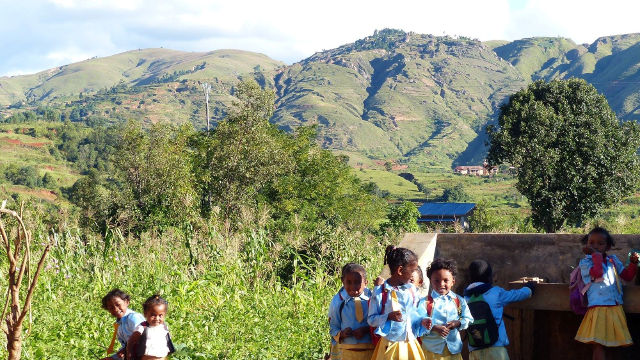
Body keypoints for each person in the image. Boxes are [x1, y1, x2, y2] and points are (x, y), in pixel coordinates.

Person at [575, 227, 638, 360]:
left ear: (608, 246)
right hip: (598, 308)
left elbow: (627, 276)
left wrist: (633, 263)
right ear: (586, 245)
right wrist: (596, 256)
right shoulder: (585, 263)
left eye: (600, 243)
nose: (595, 246)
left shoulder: (613, 260)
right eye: (591, 243)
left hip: (615, 307)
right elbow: (597, 273)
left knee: (613, 344)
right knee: (598, 345)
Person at [368, 246, 430, 360]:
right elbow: (371, 319)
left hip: (409, 343)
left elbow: (414, 315)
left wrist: (422, 321)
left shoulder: (412, 290)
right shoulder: (380, 292)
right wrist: (388, 316)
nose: (413, 275)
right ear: (400, 270)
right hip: (390, 345)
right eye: (412, 271)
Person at [463, 260, 534, 360]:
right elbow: (516, 295)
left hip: (474, 350)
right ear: (489, 277)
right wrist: (529, 289)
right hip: (496, 350)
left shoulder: (465, 298)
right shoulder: (496, 293)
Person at [418, 258, 473, 360]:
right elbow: (418, 322)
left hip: (454, 351)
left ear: (453, 281)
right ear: (430, 281)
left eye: (445, 280)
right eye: (437, 281)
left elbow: (468, 319)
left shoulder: (459, 301)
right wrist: (434, 327)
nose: (441, 284)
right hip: (431, 352)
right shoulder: (425, 302)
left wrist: (457, 323)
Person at [328, 263, 374, 360]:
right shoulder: (338, 301)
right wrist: (342, 334)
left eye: (357, 282)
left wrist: (365, 330)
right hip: (346, 351)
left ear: (366, 282)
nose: (353, 286)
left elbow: (378, 322)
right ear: (342, 281)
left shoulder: (373, 299)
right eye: (349, 282)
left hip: (370, 350)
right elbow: (333, 326)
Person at [126, 295, 175, 360]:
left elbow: (167, 339)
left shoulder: (164, 326)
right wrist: (129, 354)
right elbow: (131, 341)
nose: (157, 318)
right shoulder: (142, 327)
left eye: (160, 315)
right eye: (153, 315)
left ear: (164, 314)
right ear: (145, 314)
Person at [101, 289, 145, 360]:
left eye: (118, 305)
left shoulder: (133, 318)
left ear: (127, 302)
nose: (115, 309)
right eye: (111, 307)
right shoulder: (119, 324)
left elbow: (144, 338)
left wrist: (125, 351)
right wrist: (112, 358)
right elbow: (125, 348)